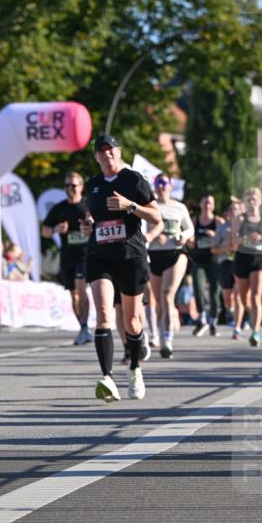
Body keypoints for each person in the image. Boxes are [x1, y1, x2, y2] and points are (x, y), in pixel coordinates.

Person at [82, 135, 162, 402]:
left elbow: (156, 216)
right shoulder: (92, 185)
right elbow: (92, 217)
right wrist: (88, 225)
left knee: (131, 321)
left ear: (118, 152)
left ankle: (135, 368)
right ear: (96, 157)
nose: (107, 155)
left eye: (110, 150)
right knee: (104, 313)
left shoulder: (133, 179)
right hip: (99, 255)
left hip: (130, 255)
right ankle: (107, 377)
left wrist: (132, 206)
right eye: (101, 151)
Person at [41, 171, 93, 345]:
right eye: (67, 185)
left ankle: (85, 327)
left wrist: (90, 224)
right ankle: (83, 327)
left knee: (81, 288)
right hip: (67, 257)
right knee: (74, 296)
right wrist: (56, 229)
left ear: (81, 187)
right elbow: (45, 231)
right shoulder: (59, 208)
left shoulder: (87, 207)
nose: (69, 188)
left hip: (85, 255)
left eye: (73, 185)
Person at [148, 175, 194, 358]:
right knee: (158, 300)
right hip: (154, 254)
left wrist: (183, 236)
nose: (161, 187)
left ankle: (167, 339)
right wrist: (153, 234)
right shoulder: (150, 206)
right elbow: (141, 228)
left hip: (175, 253)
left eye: (164, 183)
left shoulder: (179, 207)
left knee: (167, 295)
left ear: (170, 186)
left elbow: (189, 228)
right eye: (158, 184)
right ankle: (160, 333)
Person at [231, 187, 262, 347]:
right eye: (248, 197)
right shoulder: (239, 218)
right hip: (242, 258)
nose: (252, 200)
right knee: (243, 298)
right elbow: (233, 241)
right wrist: (245, 238)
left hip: (260, 259)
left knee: (256, 296)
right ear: (245, 201)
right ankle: (251, 317)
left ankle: (255, 332)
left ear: (260, 200)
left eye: (254, 197)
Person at [187, 193, 223, 337]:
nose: (207, 206)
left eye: (210, 203)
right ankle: (202, 319)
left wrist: (215, 236)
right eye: (205, 203)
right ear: (201, 205)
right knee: (198, 289)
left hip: (215, 261)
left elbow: (227, 240)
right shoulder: (194, 221)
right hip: (199, 261)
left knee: (215, 293)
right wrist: (191, 240)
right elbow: (187, 238)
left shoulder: (218, 221)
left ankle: (213, 321)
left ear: (213, 206)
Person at [211, 197, 242, 328]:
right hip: (225, 262)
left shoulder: (245, 226)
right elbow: (213, 249)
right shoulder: (222, 228)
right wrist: (227, 248)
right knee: (227, 295)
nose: (233, 212)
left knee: (238, 294)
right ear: (228, 212)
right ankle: (230, 310)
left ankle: (238, 325)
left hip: (240, 262)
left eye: (236, 209)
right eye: (231, 209)